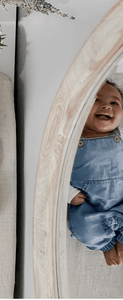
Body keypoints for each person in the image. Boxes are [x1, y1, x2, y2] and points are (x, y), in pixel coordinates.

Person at [68, 79, 123, 266]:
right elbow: (55, 175)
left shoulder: (120, 136)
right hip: (88, 203)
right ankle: (106, 245)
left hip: (121, 198)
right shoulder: (70, 142)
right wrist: (69, 194)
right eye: (95, 100)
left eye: (114, 103)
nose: (107, 106)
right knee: (83, 227)